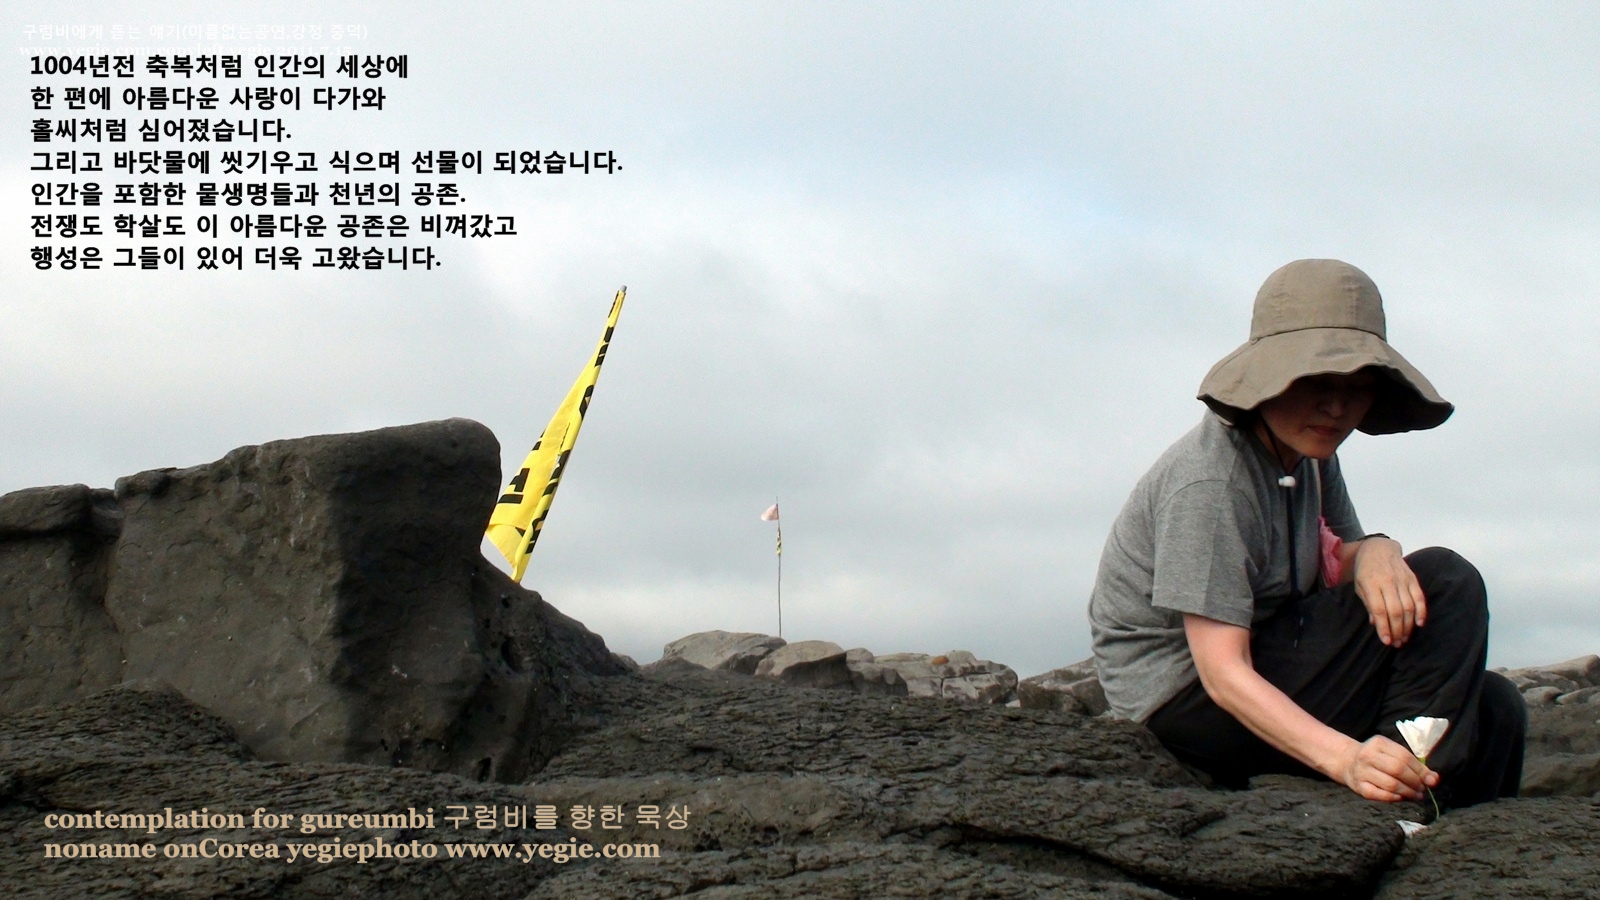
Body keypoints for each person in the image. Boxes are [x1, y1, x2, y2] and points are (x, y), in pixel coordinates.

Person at [1088, 259, 1525, 809]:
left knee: (1496, 705)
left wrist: (1379, 550)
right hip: (1185, 699)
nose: (1336, 408)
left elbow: (1342, 563)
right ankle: (1398, 800)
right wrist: (1346, 759)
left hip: (1276, 652)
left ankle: (1450, 832)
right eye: (1316, 382)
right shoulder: (1212, 484)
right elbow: (1222, 672)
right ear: (1270, 376)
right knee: (1445, 579)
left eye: (1357, 388)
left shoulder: (1309, 454)